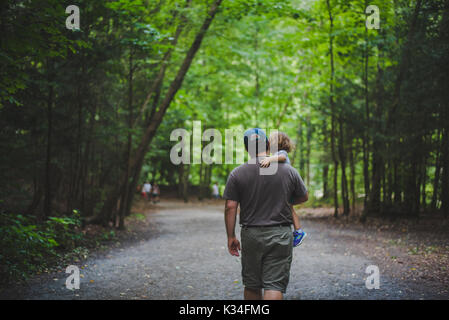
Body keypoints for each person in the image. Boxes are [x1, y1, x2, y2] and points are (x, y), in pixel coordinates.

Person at [223, 128, 308, 300]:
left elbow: (230, 207)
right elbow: (303, 197)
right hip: (280, 234)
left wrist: (231, 236)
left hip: (251, 234)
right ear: (269, 145)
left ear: (247, 149)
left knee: (252, 285)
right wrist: (284, 201)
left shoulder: (237, 173)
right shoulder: (289, 170)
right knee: (274, 285)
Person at [259, 132, 307, 247]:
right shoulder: (275, 154)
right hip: (285, 185)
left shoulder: (281, 153)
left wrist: (269, 159)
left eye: (270, 140)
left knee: (290, 208)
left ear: (277, 142)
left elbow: (282, 157)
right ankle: (298, 231)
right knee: (290, 208)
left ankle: (299, 231)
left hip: (286, 186)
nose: (268, 143)